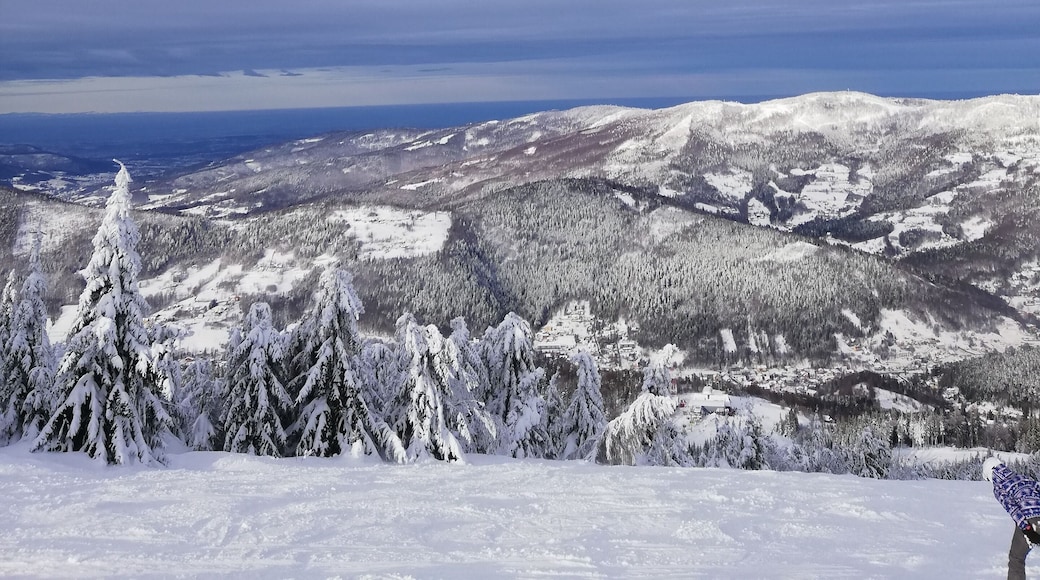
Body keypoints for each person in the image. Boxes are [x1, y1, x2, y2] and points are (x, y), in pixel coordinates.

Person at [984, 457, 1040, 580]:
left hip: (1030, 520)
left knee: (1016, 558)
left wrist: (1028, 530)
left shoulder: (999, 487)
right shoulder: (1024, 478)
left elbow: (1013, 509)